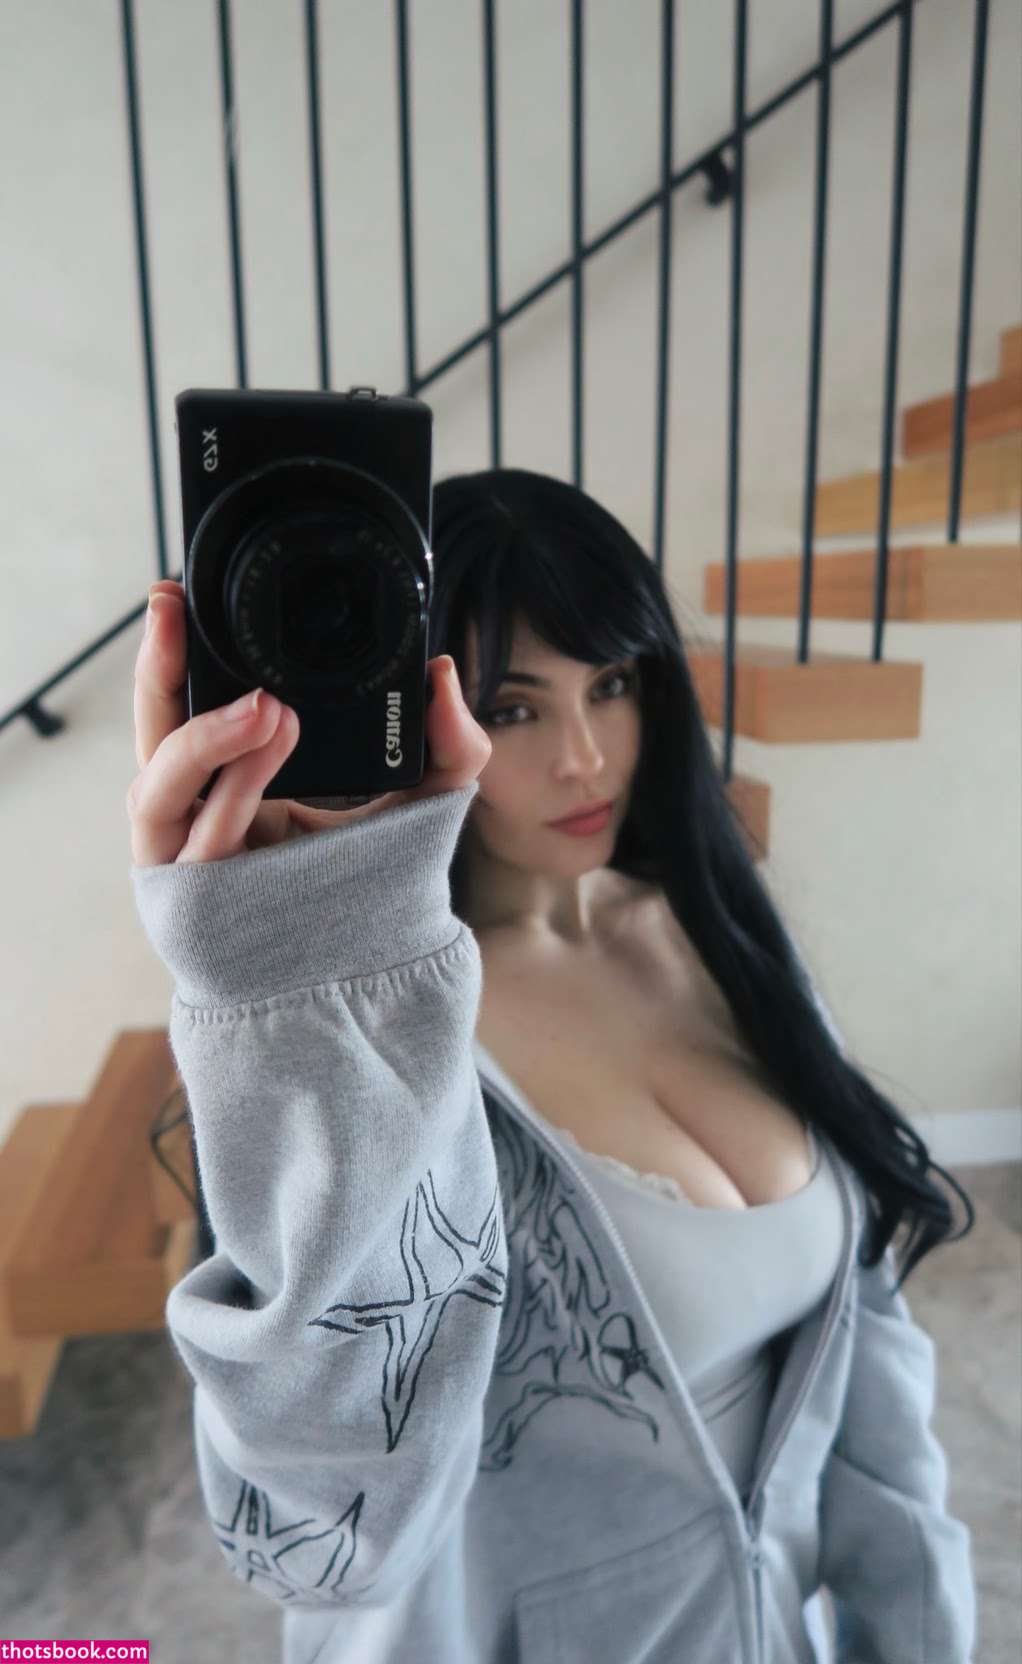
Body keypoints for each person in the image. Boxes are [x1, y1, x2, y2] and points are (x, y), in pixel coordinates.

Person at [128, 465, 978, 1664]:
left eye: (612, 684)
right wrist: (288, 993)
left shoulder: (718, 929)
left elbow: (867, 1342)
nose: (585, 757)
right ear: (417, 715)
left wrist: (918, 1628)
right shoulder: (385, 1050)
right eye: (515, 709)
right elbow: (322, 1542)